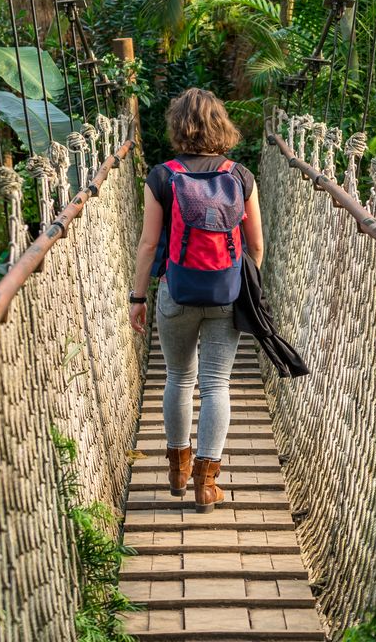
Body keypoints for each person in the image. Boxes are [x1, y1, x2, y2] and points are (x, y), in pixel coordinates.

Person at [129, 88, 265, 513]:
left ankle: (177, 470)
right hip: (226, 291)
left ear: (177, 126)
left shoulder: (162, 176)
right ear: (221, 124)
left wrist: (138, 297)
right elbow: (257, 246)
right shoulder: (240, 176)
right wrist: (244, 288)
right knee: (216, 384)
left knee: (178, 378)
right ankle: (207, 486)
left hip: (176, 291)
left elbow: (149, 245)